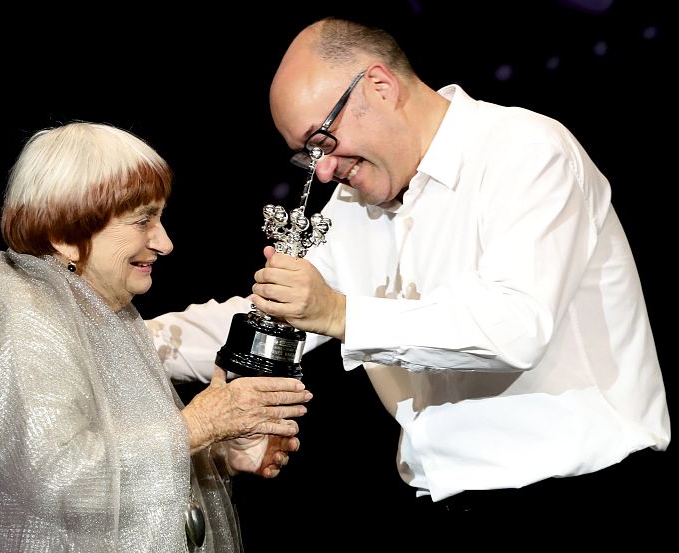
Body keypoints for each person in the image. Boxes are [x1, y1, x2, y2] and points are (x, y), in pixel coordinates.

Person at [147, 16, 670, 522]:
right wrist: (117, 340)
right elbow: (267, 318)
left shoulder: (526, 152)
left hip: (579, 489)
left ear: (378, 85)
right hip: (444, 493)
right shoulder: (353, 204)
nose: (323, 170)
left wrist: (340, 312)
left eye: (321, 141)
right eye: (306, 155)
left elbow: (516, 326)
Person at [0, 121, 313, 552]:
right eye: (142, 221)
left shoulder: (98, 305)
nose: (164, 242)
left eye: (160, 217)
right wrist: (201, 424)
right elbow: (65, 478)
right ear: (66, 234)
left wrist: (220, 456)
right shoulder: (23, 322)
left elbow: (122, 456)